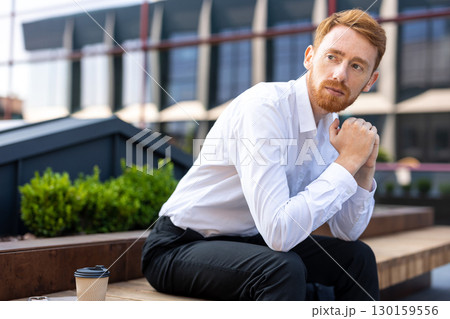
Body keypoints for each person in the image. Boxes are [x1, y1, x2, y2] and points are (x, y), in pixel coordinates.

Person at [141, 9, 386, 301]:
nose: (339, 74)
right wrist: (345, 163)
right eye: (332, 56)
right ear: (309, 57)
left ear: (370, 82)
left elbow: (347, 231)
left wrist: (362, 169)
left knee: (357, 259)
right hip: (179, 247)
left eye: (357, 66)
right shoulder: (264, 108)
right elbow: (279, 234)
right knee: (282, 269)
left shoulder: (330, 132)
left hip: (247, 242)